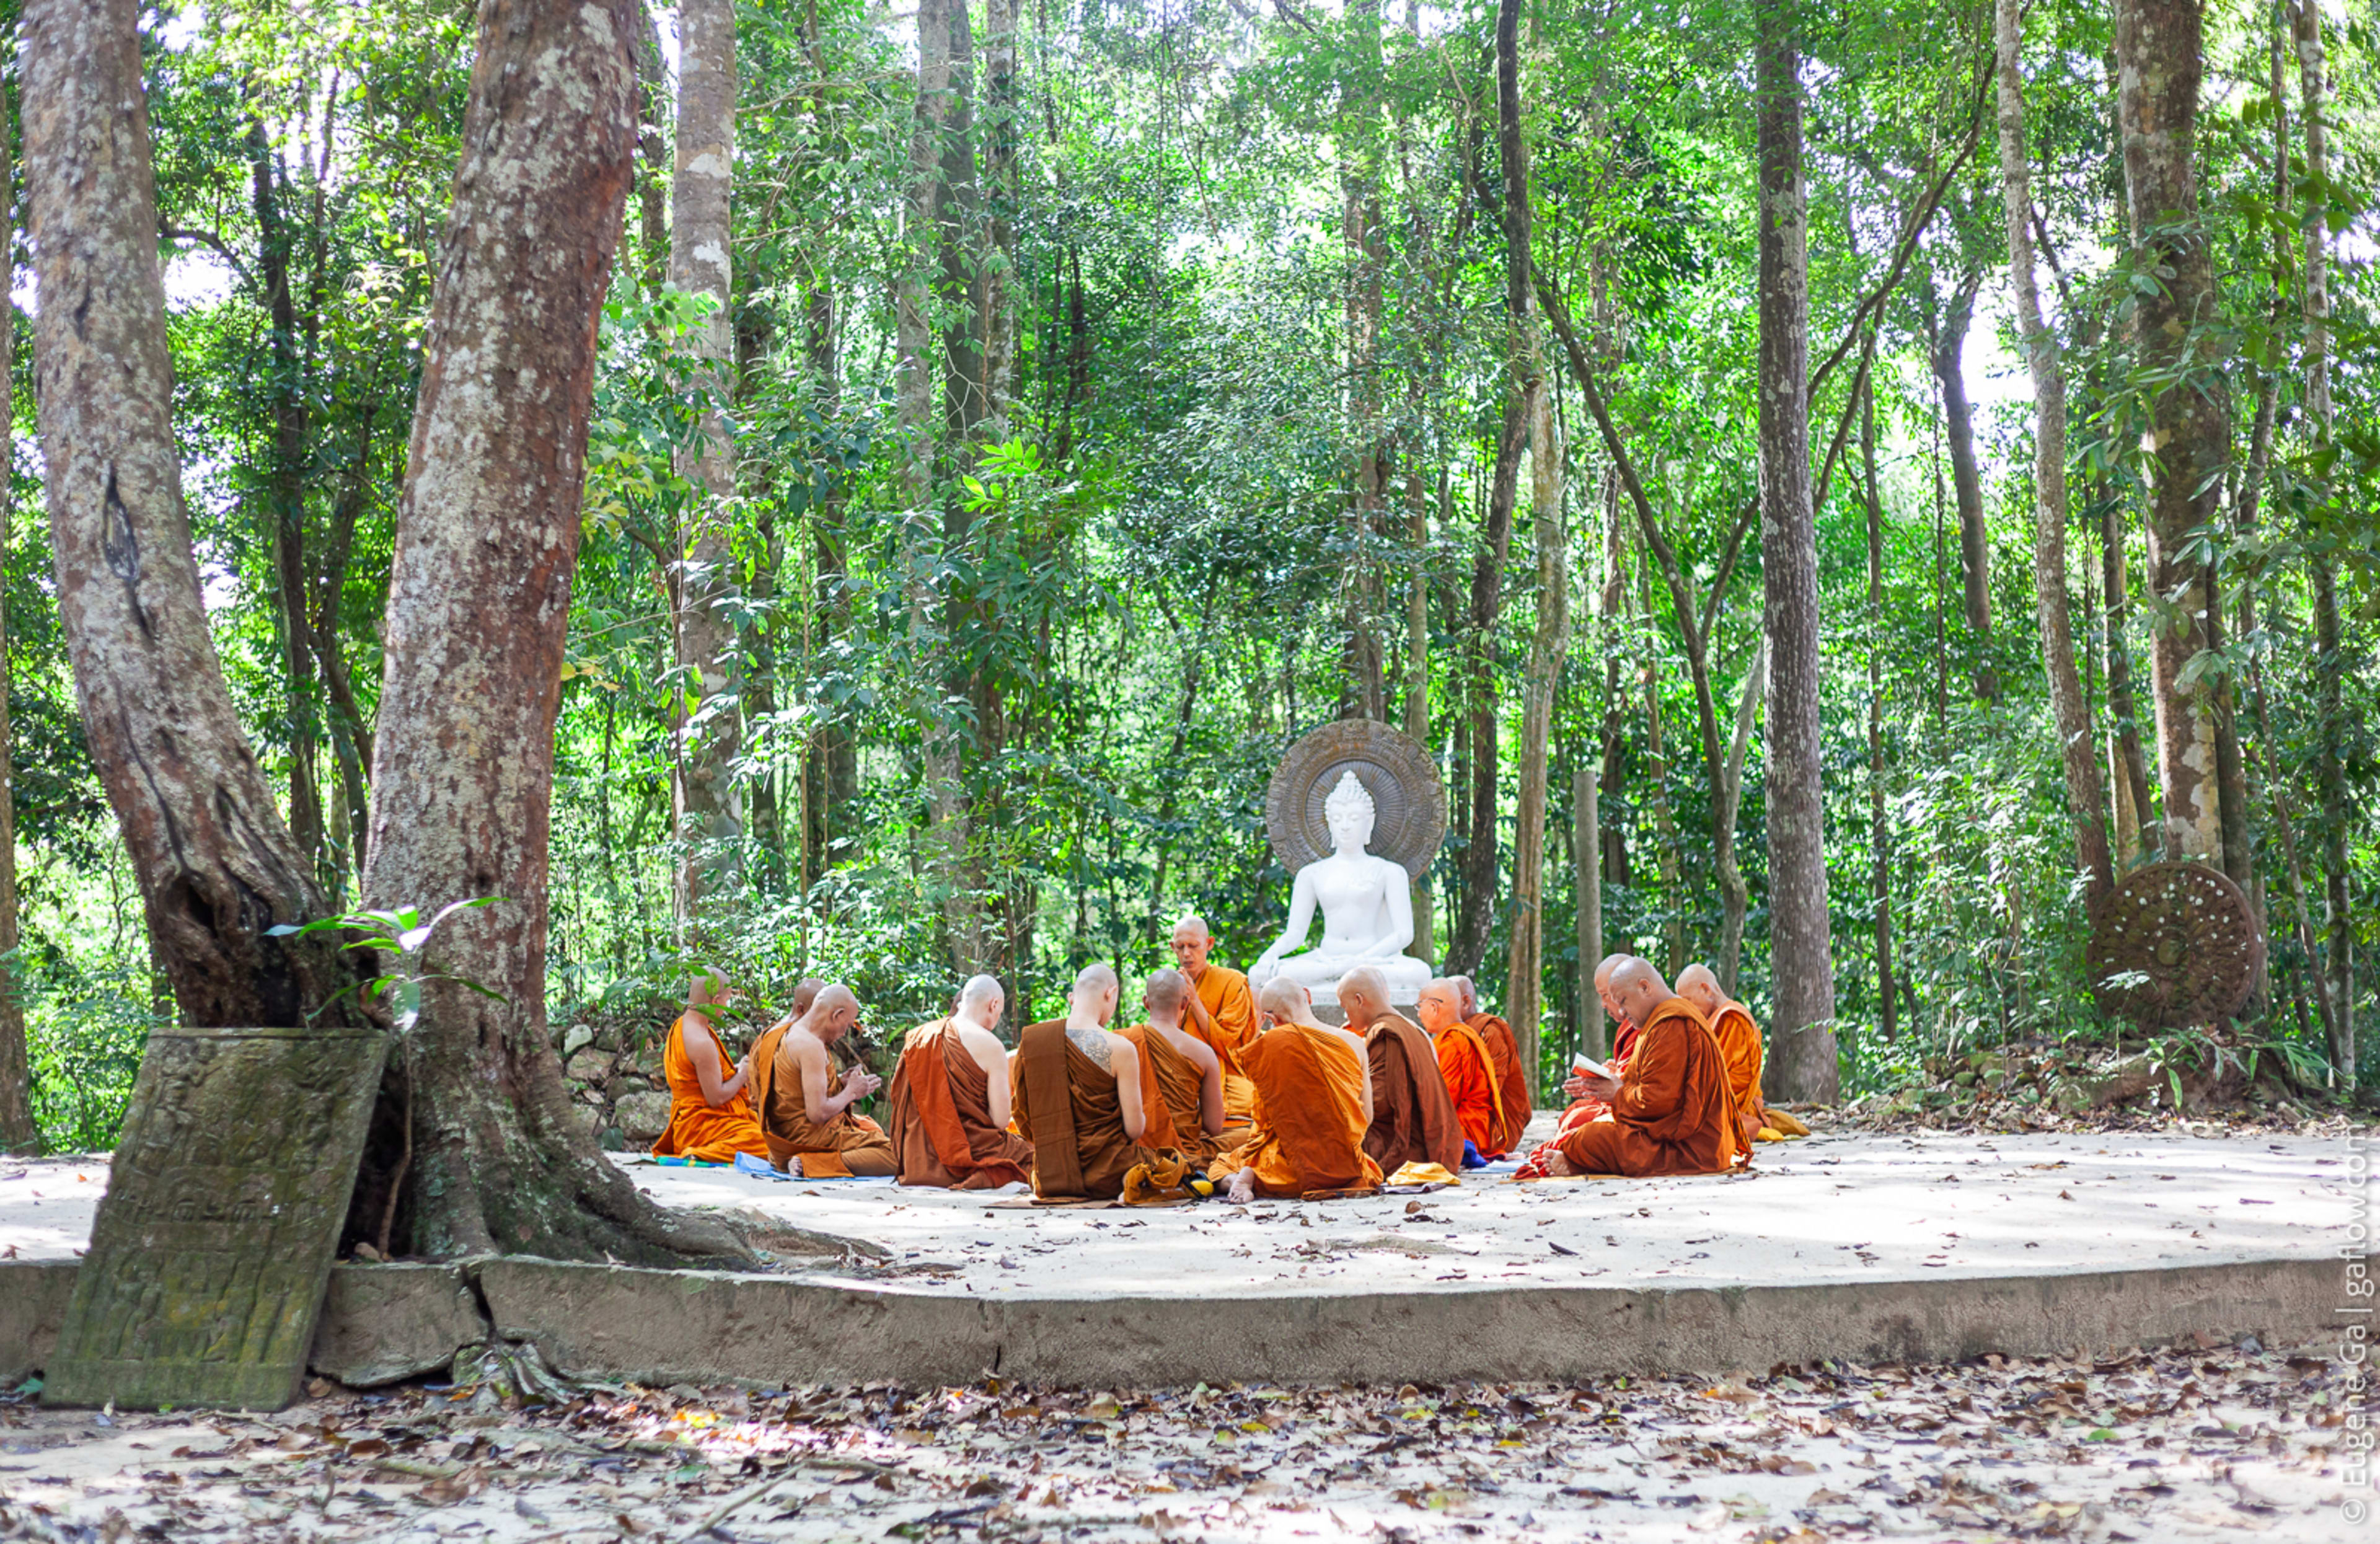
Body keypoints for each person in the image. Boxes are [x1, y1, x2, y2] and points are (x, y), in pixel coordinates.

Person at [1544, 958, 1740, 1179]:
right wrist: (1613, 1084)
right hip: (1679, 1139)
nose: (1620, 1011)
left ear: (1645, 987)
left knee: (1590, 1138)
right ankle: (1579, 1162)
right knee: (1587, 1130)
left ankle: (1578, 1163)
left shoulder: (1671, 1023)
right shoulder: (1659, 1021)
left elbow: (1658, 1103)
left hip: (1690, 1149)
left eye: (1624, 1001)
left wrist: (1617, 1092)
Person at [1211, 966, 1383, 1202]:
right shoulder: (1354, 1041)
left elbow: (1264, 1120)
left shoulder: (1272, 1044)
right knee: (1367, 1170)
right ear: (1308, 995)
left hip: (1289, 1170)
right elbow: (1367, 1115)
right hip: (1345, 1168)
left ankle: (1246, 1176)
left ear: (1272, 1019)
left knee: (1220, 1168)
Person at [1011, 964, 1170, 1200]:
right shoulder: (1121, 1048)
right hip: (1110, 1174)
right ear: (1111, 993)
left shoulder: (1034, 1041)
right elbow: (1134, 1129)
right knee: (1172, 1165)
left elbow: (1022, 1115)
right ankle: (1131, 1181)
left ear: (1071, 998)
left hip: (1051, 1176)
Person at [885, 974, 1034, 1189]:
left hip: (917, 1160)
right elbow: (1000, 1120)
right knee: (1038, 1159)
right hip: (971, 1152)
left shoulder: (919, 1037)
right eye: (999, 1013)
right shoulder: (991, 1045)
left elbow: (900, 1102)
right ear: (994, 1005)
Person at [747, 984, 896, 1176]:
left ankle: (794, 1159)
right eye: (847, 1025)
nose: (844, 1033)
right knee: (895, 1155)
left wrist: (840, 1083)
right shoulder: (811, 1046)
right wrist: (852, 1092)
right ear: (836, 1015)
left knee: (869, 1126)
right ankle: (811, 1162)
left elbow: (795, 1093)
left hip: (782, 1136)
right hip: (807, 1139)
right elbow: (817, 1113)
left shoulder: (782, 1034)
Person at [1342, 969, 1463, 1176]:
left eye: (1345, 1006)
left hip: (1407, 1148)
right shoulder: (1410, 1029)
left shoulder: (1385, 1033)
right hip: (1434, 1142)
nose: (1346, 1014)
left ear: (1359, 1000)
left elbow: (1379, 1106)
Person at [1119, 969, 1248, 1162]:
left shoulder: (1121, 1042)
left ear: (1146, 1002)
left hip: (1133, 1151)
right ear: (1185, 1003)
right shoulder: (1204, 1052)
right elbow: (1214, 1127)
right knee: (1249, 1136)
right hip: (1183, 1152)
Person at [1677, 963, 1809, 1144]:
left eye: (1689, 1001)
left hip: (1730, 1108)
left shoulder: (1732, 1019)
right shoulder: (1712, 1020)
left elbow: (1733, 1087)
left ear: (1706, 990)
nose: (1688, 1010)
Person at [651, 969, 771, 1163]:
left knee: (765, 1128)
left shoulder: (680, 1026)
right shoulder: (702, 1041)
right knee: (765, 1141)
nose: (726, 1007)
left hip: (686, 1123)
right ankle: (701, 1154)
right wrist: (742, 1075)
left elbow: (703, 1080)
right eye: (726, 1001)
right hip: (701, 1129)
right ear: (715, 1001)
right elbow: (716, 1098)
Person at [1170, 914, 1259, 1120]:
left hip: (1226, 1077)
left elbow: (1227, 1042)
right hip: (1180, 1076)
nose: (1186, 954)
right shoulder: (1169, 985)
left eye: (1193, 946)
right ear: (1172, 946)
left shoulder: (1232, 982)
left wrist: (1194, 1000)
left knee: (1250, 1106)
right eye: (1180, 947)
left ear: (1209, 944)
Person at [1417, 978, 1506, 1163]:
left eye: (1420, 1007)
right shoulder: (1466, 1035)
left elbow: (1442, 1102)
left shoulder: (1452, 1043)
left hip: (1465, 1132)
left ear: (1434, 1008)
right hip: (1478, 1127)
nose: (1418, 1014)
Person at [1449, 973, 1532, 1156]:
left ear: (1465, 1002)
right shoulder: (1450, 1035)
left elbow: (1487, 1093)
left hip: (1493, 1125)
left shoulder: (1490, 1033)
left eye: (1443, 1003)